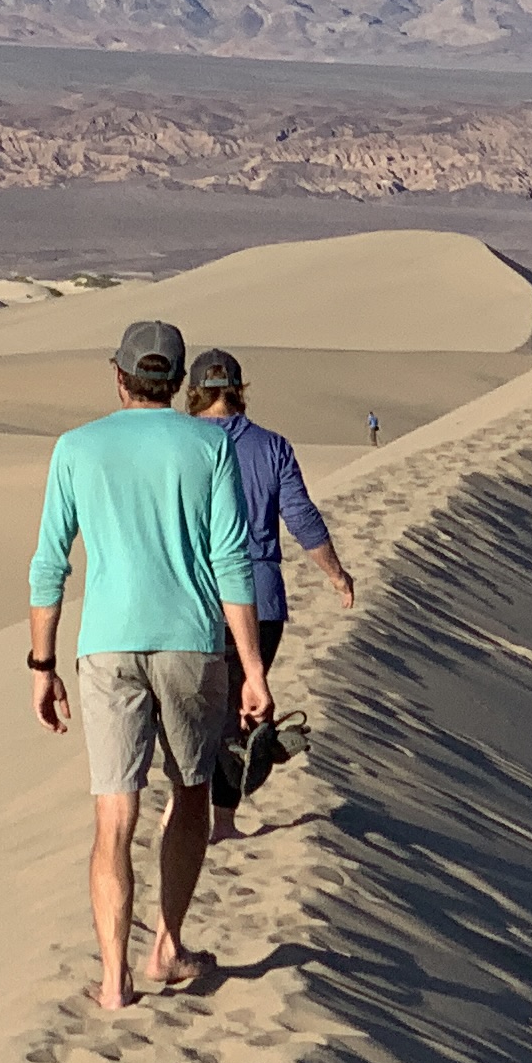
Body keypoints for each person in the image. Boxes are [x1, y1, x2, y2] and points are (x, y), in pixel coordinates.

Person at [26, 319, 271, 1013]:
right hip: (193, 643)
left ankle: (113, 980)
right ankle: (166, 942)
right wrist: (253, 668)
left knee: (115, 812)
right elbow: (231, 559)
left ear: (119, 376)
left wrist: (41, 662)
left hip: (105, 646)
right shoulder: (211, 445)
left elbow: (50, 562)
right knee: (190, 789)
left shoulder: (76, 448)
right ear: (179, 382)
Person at [182, 348, 353, 834]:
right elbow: (300, 516)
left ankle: (189, 812)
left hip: (196, 596)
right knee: (239, 705)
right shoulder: (272, 446)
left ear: (194, 392)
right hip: (260, 600)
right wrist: (336, 574)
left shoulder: (182, 445)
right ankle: (223, 821)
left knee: (193, 711)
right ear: (239, 390)